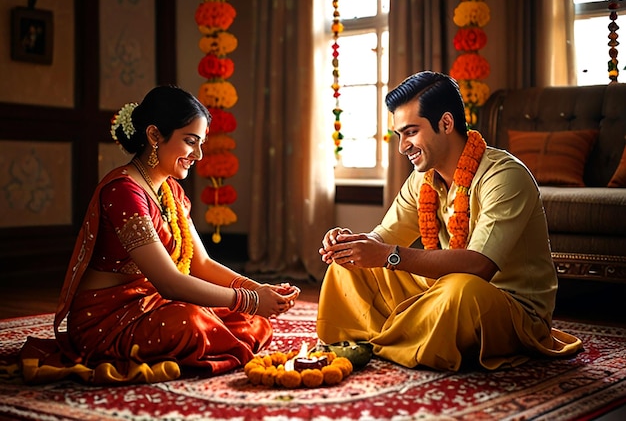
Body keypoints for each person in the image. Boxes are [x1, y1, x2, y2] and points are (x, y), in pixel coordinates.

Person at [18, 86, 300, 384]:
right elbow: (168, 282)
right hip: (107, 319)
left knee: (252, 322)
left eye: (201, 143)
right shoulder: (124, 191)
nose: (199, 155)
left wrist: (258, 289)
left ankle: (208, 340)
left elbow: (200, 264)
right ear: (154, 136)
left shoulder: (170, 190)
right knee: (191, 322)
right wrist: (250, 299)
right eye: (190, 141)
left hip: (151, 304)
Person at [316, 71, 583, 371]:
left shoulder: (505, 176)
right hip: (440, 291)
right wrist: (352, 245)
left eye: (411, 132)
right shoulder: (423, 179)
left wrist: (390, 255)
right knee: (349, 268)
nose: (403, 146)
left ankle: (385, 340)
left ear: (445, 123)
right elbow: (384, 237)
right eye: (399, 135)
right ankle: (397, 341)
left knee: (461, 291)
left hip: (508, 308)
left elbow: (480, 265)